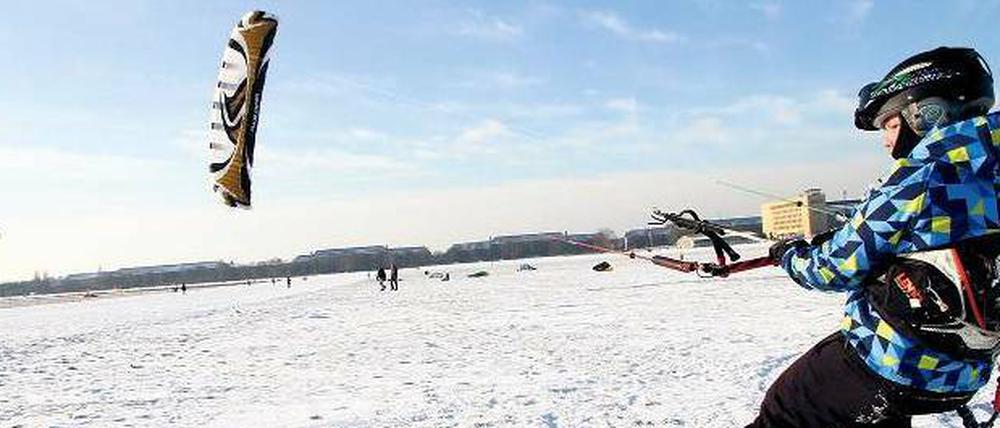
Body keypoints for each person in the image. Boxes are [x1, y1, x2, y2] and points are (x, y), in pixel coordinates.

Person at [751, 47, 999, 427]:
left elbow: (832, 267)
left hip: (894, 363)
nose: (885, 141)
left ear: (925, 112)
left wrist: (790, 254)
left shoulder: (923, 176)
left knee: (786, 406)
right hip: (963, 374)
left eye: (888, 123)